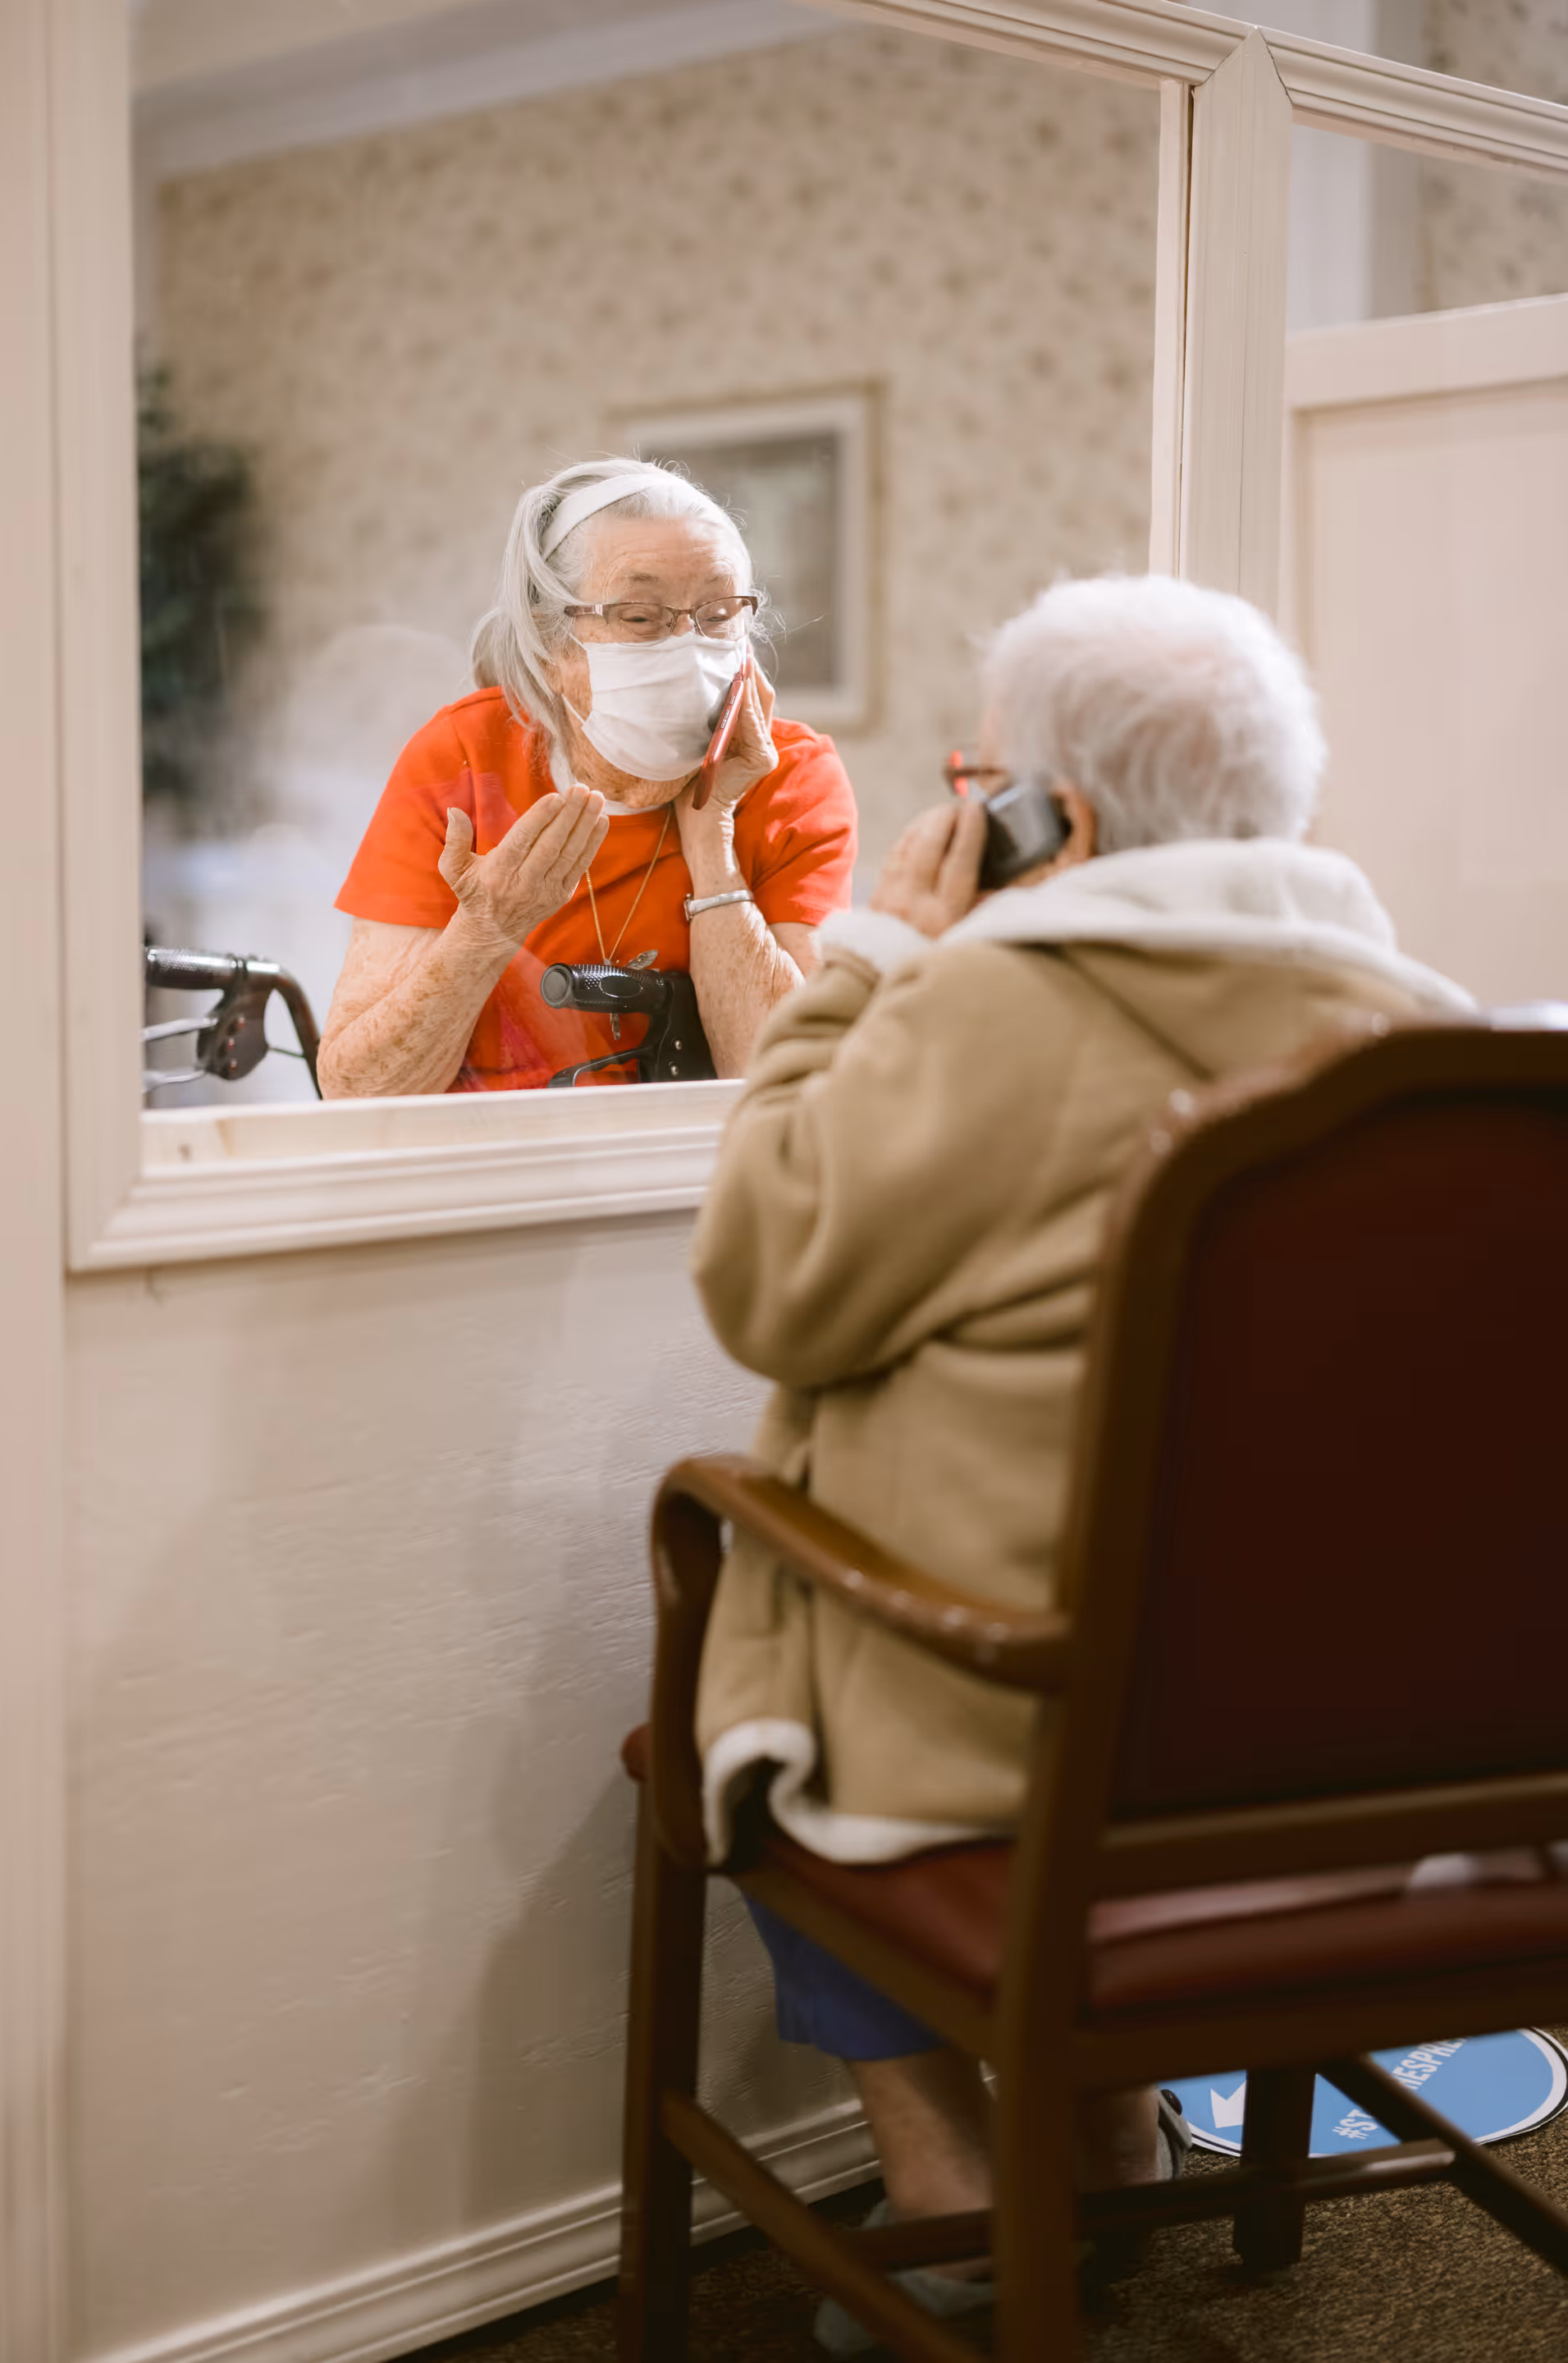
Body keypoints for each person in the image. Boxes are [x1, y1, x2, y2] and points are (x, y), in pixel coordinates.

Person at [688, 572, 1474, 2350]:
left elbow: (763, 1278)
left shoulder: (992, 1018)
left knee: (749, 1595)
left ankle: (948, 2167)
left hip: (1040, 1743)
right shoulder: (1442, 1042)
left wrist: (875, 955)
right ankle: (1115, 2111)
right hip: (1377, 1744)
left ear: (1064, 813)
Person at [318, 458, 857, 1095]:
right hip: (486, 1168)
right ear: (550, 647)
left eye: (716, 614)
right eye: (639, 616)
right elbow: (358, 1090)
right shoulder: (463, 755)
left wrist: (712, 839)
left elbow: (792, 1088)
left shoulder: (789, 774)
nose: (686, 645)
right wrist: (485, 933)